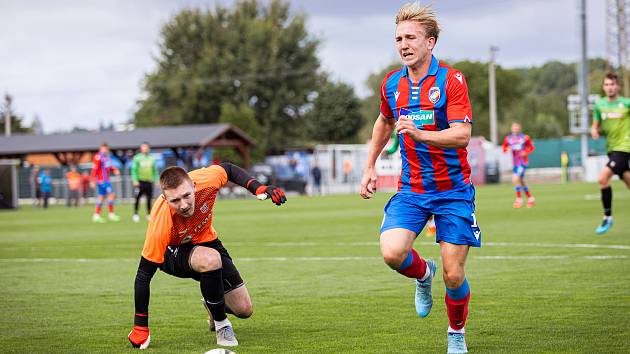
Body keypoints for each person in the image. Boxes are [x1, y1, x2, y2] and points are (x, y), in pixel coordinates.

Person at [359, 3, 480, 353]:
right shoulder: (392, 83)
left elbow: (462, 135)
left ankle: (456, 333)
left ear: (430, 42)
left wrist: (422, 134)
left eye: (410, 37)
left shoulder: (451, 80)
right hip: (412, 189)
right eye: (398, 38)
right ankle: (423, 275)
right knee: (392, 253)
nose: (403, 44)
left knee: (455, 275)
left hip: (453, 191)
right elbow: (383, 122)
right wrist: (370, 166)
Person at [127, 162, 286, 349]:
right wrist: (140, 327)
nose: (184, 205)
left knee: (244, 309)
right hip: (171, 252)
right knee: (210, 259)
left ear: (194, 186)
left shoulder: (206, 180)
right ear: (165, 198)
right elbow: (143, 276)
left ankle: (212, 304)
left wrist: (257, 187)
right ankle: (222, 325)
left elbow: (228, 169)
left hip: (206, 240)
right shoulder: (161, 220)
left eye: (186, 195)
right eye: (175, 200)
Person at [590, 72, 630, 235]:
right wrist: (594, 130)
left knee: (602, 178)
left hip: (624, 147)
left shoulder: (626, 103)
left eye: (612, 84)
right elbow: (595, 124)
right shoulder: (599, 105)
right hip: (611, 148)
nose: (609, 87)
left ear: (617, 86)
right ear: (603, 87)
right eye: (606, 85)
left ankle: (608, 217)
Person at [501, 122, 536, 208]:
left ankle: (519, 199)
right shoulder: (508, 139)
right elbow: (504, 149)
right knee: (521, 181)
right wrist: (507, 149)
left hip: (522, 163)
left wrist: (526, 152)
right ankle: (531, 198)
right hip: (515, 163)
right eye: (514, 127)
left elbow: (532, 147)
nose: (515, 129)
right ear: (511, 129)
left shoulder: (525, 138)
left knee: (515, 178)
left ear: (520, 128)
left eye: (517, 127)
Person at [90, 143, 120, 222]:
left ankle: (97, 215)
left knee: (102, 197)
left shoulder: (107, 157)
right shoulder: (98, 157)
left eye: (106, 149)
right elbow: (94, 169)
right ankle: (110, 214)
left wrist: (114, 170)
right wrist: (92, 180)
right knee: (111, 195)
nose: (105, 150)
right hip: (102, 181)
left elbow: (109, 167)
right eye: (103, 149)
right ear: (100, 149)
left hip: (106, 180)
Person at [131, 142, 159, 223]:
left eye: (146, 147)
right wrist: (135, 180)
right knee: (137, 198)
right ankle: (135, 214)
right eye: (143, 147)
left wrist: (156, 179)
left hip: (149, 181)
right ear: (141, 148)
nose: (145, 149)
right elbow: (134, 170)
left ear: (148, 148)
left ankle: (149, 214)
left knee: (149, 198)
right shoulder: (137, 158)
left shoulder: (151, 159)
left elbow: (155, 170)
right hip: (140, 182)